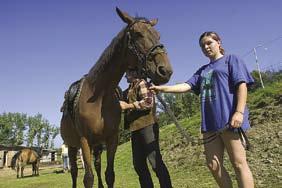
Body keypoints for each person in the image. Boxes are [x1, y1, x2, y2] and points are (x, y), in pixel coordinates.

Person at [150, 31, 254, 188]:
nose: (206, 47)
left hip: (230, 120)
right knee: (213, 165)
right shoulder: (203, 70)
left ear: (218, 42)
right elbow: (186, 86)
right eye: (202, 46)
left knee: (239, 164)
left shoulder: (231, 60)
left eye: (209, 43)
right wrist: (162, 89)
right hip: (210, 124)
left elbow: (242, 85)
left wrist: (239, 112)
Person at [119, 68, 173, 188]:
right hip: (135, 129)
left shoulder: (142, 83)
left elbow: (148, 102)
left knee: (155, 161)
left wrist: (128, 105)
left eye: (126, 73)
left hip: (147, 126)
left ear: (133, 73)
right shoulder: (127, 91)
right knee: (138, 164)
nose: (125, 77)